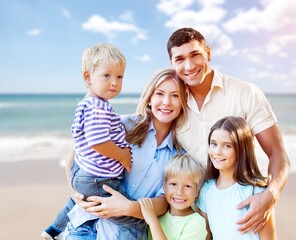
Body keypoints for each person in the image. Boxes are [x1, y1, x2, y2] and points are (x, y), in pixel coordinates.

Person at [167, 27, 290, 233]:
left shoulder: (245, 93)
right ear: (172, 63)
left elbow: (277, 153)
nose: (188, 65)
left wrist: (271, 194)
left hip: (242, 208)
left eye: (195, 55)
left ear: (208, 53)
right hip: (195, 212)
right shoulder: (172, 103)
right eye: (179, 59)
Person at [64, 67, 188, 239]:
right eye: (160, 93)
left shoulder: (178, 155)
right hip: (84, 226)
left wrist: (128, 208)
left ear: (183, 102)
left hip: (124, 234)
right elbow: (76, 154)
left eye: (175, 95)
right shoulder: (124, 125)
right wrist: (75, 193)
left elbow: (164, 202)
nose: (166, 102)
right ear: (150, 98)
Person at [41, 43, 132, 240]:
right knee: (131, 219)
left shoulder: (87, 103)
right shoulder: (98, 107)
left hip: (82, 172)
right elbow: (98, 142)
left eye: (119, 76)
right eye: (107, 75)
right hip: (99, 178)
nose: (114, 82)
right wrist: (123, 156)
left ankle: (54, 229)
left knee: (78, 201)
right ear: (88, 78)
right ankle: (79, 234)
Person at [197, 116, 276, 240]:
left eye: (227, 146)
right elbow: (207, 236)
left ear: (241, 149)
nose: (217, 151)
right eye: (213, 144)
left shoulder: (256, 192)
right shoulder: (206, 191)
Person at [139, 153, 207, 240]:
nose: (179, 192)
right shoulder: (160, 213)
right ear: (164, 186)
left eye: (187, 186)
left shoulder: (196, 223)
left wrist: (153, 221)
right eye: (174, 184)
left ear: (197, 191)